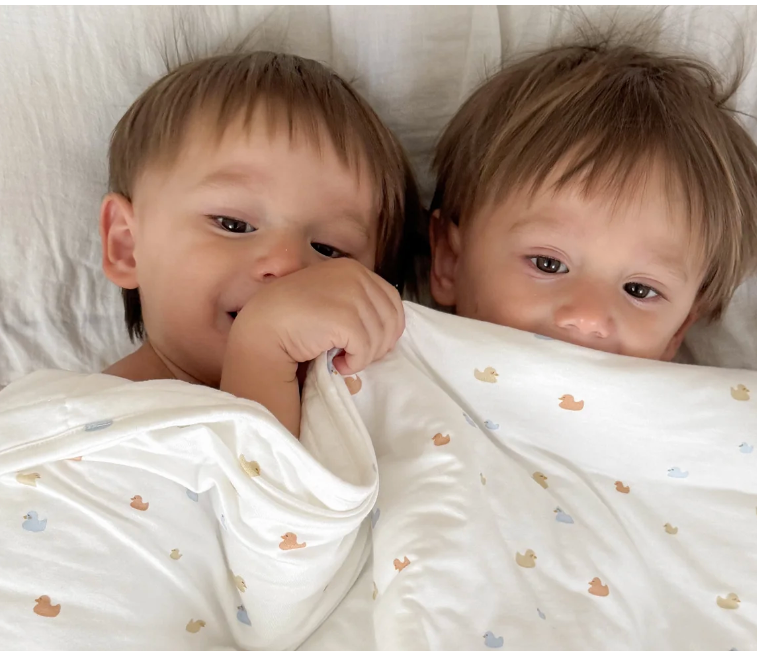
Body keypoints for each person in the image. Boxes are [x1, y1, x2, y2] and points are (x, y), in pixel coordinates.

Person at [100, 49, 420, 435]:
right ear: (127, 245)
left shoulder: (365, 421)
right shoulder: (89, 417)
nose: (287, 265)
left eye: (329, 249)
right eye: (234, 225)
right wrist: (260, 353)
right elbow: (249, 474)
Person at [429, 40, 757, 361]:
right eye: (547, 263)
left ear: (678, 330)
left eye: (640, 290)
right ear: (450, 261)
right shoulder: (405, 362)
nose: (588, 318)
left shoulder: (707, 397)